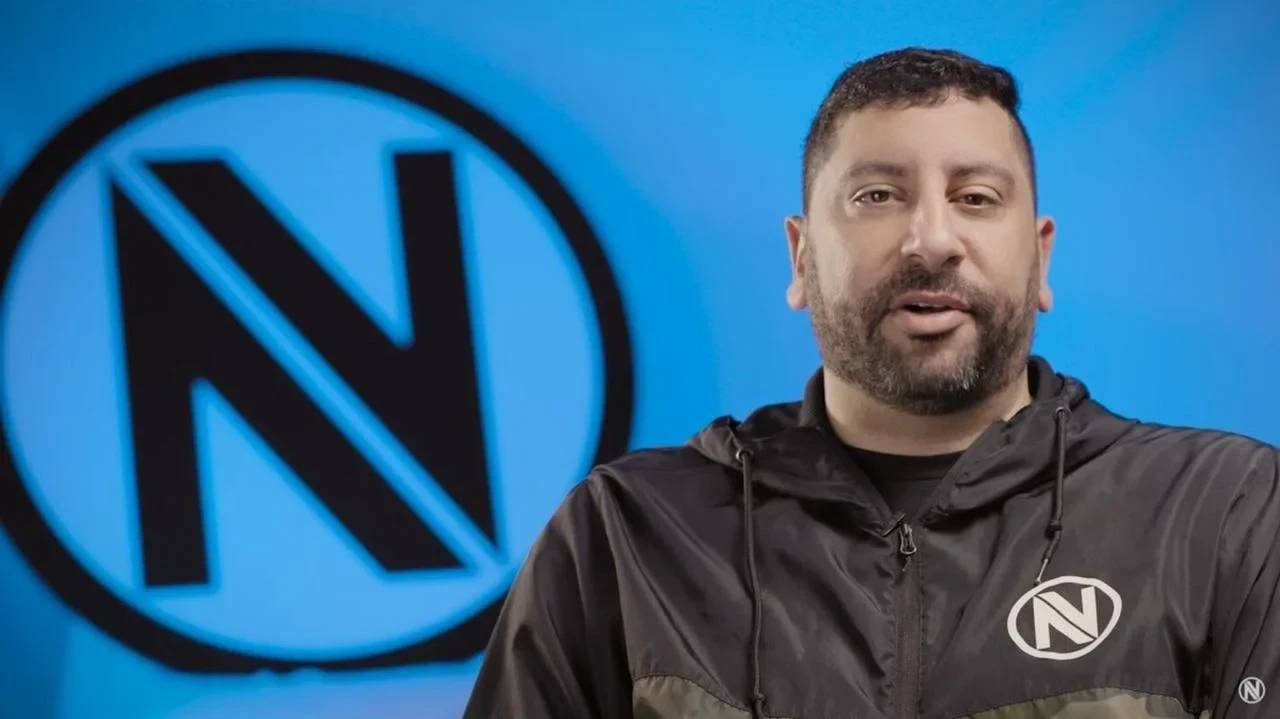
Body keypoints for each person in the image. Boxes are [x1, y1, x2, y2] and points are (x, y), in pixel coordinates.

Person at [461, 47, 1280, 718]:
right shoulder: (627, 538)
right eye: (878, 195)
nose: (931, 239)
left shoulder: (1219, 513)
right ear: (801, 256)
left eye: (975, 196)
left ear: (1041, 257)